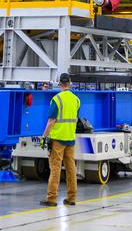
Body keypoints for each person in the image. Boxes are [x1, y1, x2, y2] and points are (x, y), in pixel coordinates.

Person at [40, 72, 80, 208]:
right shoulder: (76, 100)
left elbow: (51, 121)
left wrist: (44, 136)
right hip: (70, 138)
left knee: (55, 169)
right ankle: (71, 198)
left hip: (57, 139)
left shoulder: (56, 99)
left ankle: (51, 198)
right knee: (71, 168)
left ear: (59, 84)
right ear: (70, 83)